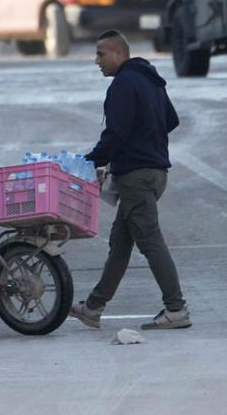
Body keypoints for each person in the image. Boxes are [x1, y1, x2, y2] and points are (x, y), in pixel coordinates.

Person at [70, 29, 190, 331]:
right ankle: (93, 307)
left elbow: (115, 134)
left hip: (136, 175)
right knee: (120, 243)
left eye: (101, 54)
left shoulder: (123, 84)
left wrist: (89, 162)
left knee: (150, 241)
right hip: (155, 172)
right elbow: (171, 120)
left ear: (119, 54)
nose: (96, 60)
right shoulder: (151, 80)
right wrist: (148, 139)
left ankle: (176, 308)